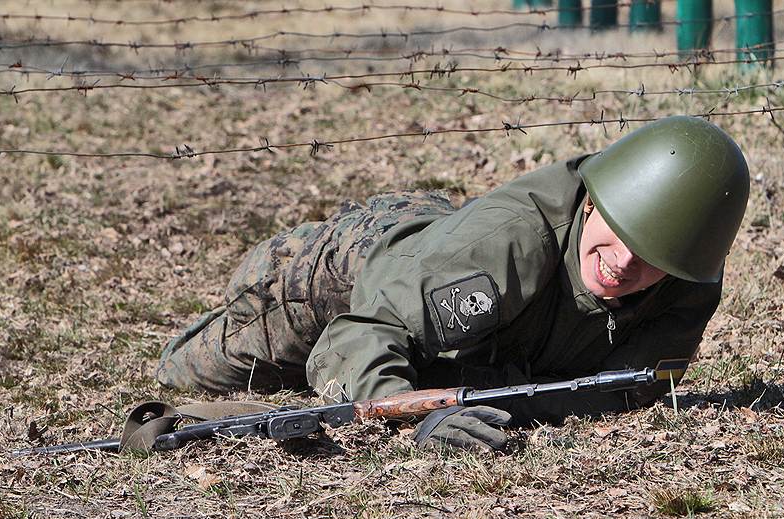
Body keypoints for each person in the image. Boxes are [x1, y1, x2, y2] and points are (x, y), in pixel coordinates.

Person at [156, 116, 750, 451]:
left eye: (648, 259)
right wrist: (414, 415)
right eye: (615, 235)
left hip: (451, 271)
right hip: (343, 271)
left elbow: (624, 388)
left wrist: (483, 389)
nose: (621, 264)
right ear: (591, 203)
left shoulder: (687, 280)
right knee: (184, 373)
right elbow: (362, 330)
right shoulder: (513, 245)